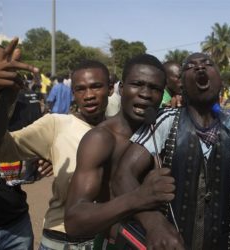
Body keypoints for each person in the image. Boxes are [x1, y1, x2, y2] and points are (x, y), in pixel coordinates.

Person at [111, 52, 230, 249]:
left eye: (208, 64)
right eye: (190, 66)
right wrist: (154, 223)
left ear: (220, 81)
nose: (200, 67)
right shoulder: (165, 121)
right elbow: (122, 176)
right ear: (182, 85)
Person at [0, 49, 114, 248]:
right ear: (73, 93)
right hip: (61, 238)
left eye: (96, 87)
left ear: (111, 89)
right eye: (80, 89)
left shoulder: (123, 131)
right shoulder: (55, 125)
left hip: (104, 239)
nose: (89, 96)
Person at [64, 54, 176, 249]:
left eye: (155, 88)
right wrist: (138, 198)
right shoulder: (101, 139)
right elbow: (74, 220)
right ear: (121, 89)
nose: (145, 94)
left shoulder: (167, 128)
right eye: (137, 84)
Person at [0, 40, 37, 250]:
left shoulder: (23, 106)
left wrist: (42, 158)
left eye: (1, 63)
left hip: (16, 227)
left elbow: (32, 148)